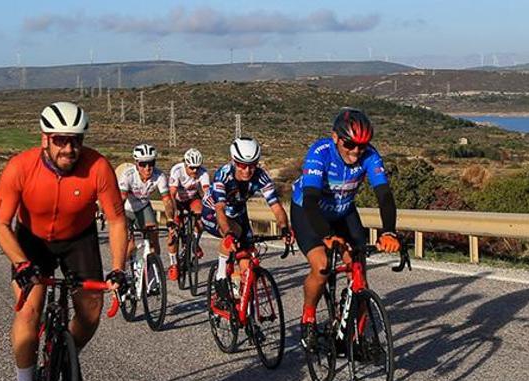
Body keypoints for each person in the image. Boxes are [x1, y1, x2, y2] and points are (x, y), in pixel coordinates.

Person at [0, 101, 128, 381]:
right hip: (32, 241)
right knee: (30, 308)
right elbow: (0, 223)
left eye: (77, 140)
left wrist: (119, 268)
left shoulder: (97, 167)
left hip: (78, 238)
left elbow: (118, 221)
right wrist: (22, 265)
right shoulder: (20, 167)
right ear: (45, 139)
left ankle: (68, 357)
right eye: (61, 140)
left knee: (91, 310)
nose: (70, 148)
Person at [290, 108, 400, 349]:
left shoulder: (369, 155)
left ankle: (354, 334)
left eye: (362, 146)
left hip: (343, 210)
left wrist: (389, 231)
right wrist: (327, 236)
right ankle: (308, 316)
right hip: (310, 211)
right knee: (321, 267)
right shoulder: (320, 153)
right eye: (350, 144)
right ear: (336, 138)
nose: (356, 151)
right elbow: (310, 200)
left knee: (358, 271)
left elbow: (384, 195)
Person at [202, 137, 293, 306]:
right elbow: (220, 209)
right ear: (234, 161)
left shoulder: (260, 176)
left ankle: (245, 311)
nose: (247, 169)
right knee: (233, 232)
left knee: (247, 261)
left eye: (252, 164)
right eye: (242, 164)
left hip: (238, 211)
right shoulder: (223, 175)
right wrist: (228, 234)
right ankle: (221, 278)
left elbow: (276, 207)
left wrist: (285, 228)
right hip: (213, 211)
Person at [117, 143, 176, 278]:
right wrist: (118, 220)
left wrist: (170, 219)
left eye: (151, 163)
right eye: (143, 164)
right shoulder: (128, 175)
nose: (147, 168)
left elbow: (166, 200)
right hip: (126, 209)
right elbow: (121, 200)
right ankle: (121, 272)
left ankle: (152, 272)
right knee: (129, 244)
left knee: (153, 237)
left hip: (143, 207)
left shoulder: (159, 176)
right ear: (136, 164)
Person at [167, 148, 210, 276]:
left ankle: (194, 243)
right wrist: (175, 213)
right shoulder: (177, 170)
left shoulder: (203, 173)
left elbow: (207, 193)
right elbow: (171, 195)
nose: (195, 171)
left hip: (192, 199)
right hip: (177, 201)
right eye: (192, 168)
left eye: (197, 167)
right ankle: (173, 264)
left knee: (201, 215)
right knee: (173, 233)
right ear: (185, 164)